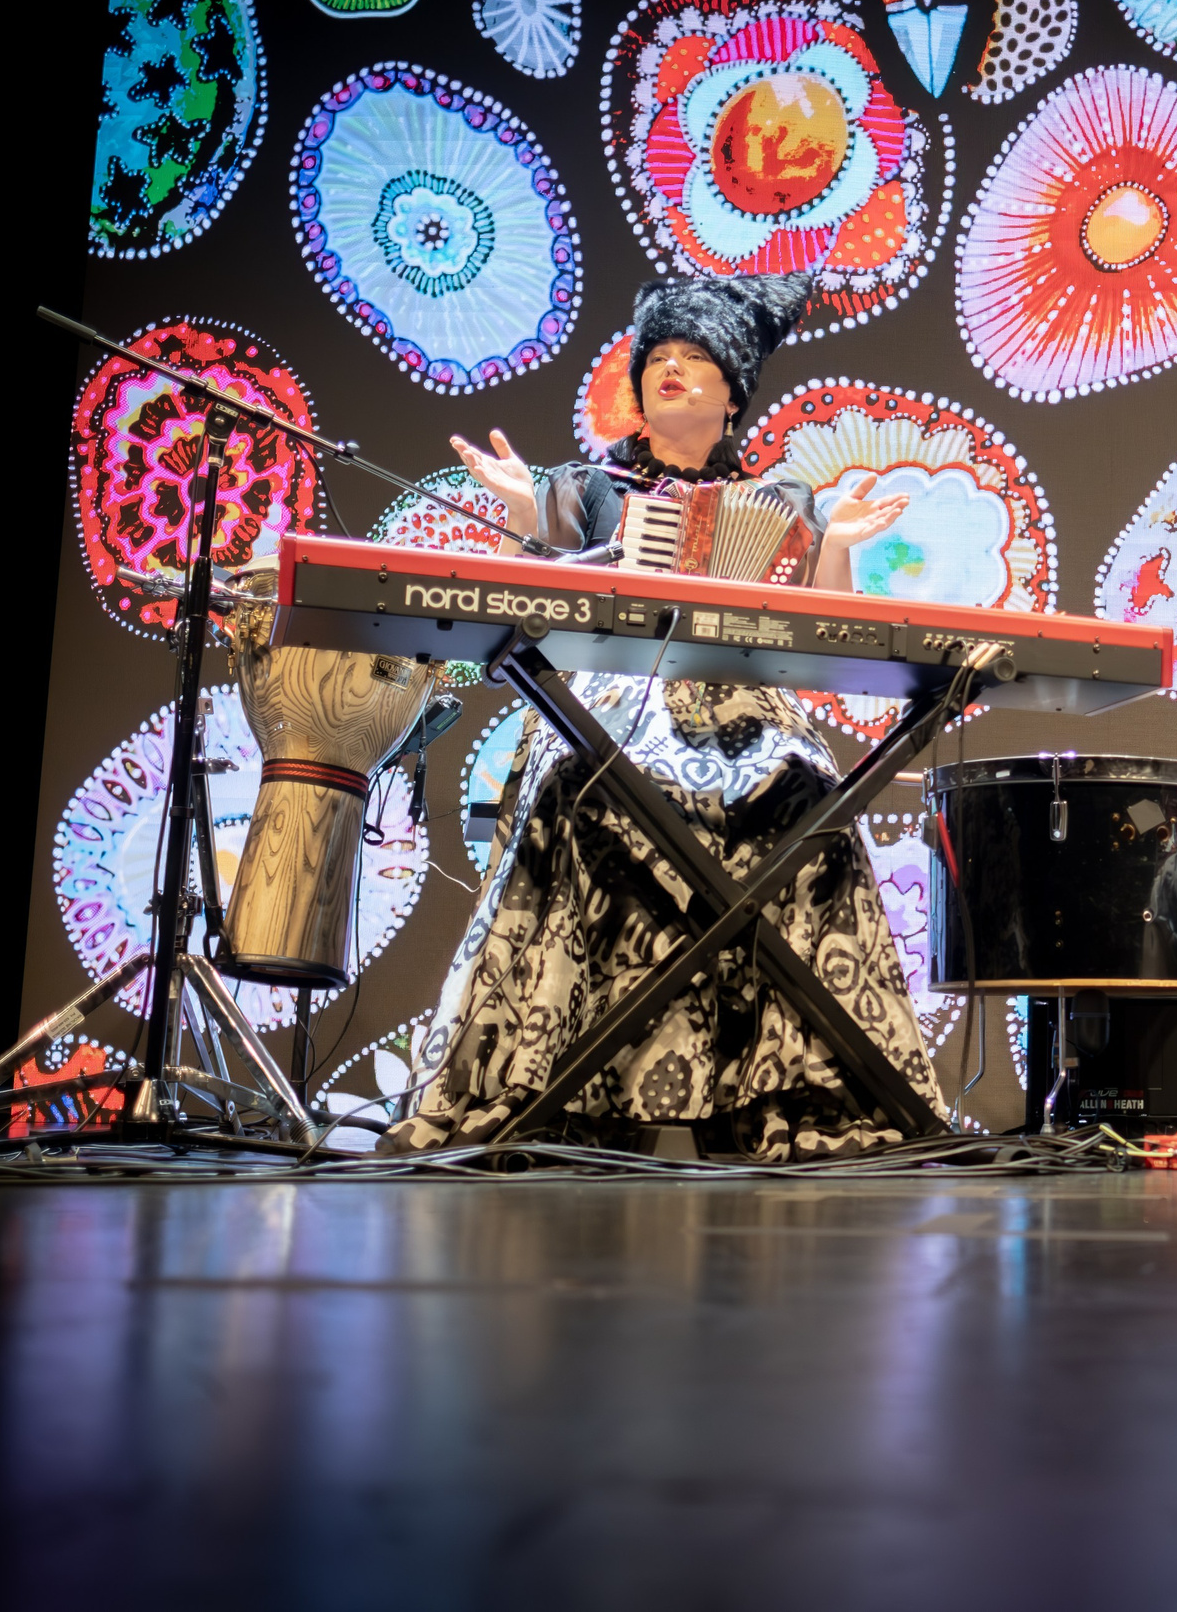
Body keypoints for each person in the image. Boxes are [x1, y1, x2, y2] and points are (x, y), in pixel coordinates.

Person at [381, 274, 940, 1157]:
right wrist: (525, 508)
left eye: (693, 356)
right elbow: (537, 592)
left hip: (749, 710)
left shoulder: (783, 501)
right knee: (585, 784)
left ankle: (798, 1092)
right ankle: (565, 1091)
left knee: (811, 800)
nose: (669, 369)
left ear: (733, 392)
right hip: (611, 704)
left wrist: (835, 546)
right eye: (657, 358)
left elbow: (829, 629)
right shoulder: (589, 485)